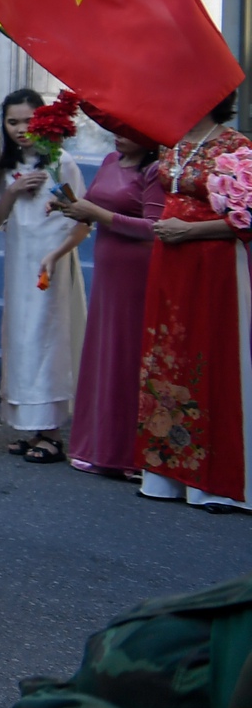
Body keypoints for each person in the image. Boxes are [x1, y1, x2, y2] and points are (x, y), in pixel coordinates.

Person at [137, 94, 252, 510]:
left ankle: (218, 481)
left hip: (213, 264)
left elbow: (247, 218)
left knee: (213, 355)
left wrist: (190, 232)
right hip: (170, 263)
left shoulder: (236, 146)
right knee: (167, 358)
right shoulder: (172, 141)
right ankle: (167, 474)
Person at [56, 117, 162, 477]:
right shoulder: (108, 162)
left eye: (128, 128)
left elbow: (154, 227)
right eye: (116, 128)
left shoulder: (154, 171)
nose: (118, 134)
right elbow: (90, 206)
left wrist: (98, 214)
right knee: (104, 351)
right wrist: (66, 207)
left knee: (128, 354)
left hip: (136, 273)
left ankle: (130, 454)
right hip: (107, 270)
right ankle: (98, 446)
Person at [0, 90, 89, 465]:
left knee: (47, 338)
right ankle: (31, 426)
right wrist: (13, 191)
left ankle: (51, 432)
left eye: (27, 121)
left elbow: (83, 219)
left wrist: (56, 254)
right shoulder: (7, 169)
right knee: (22, 339)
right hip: (19, 264)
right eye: (12, 122)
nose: (19, 129)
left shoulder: (61, 164)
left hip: (52, 265)